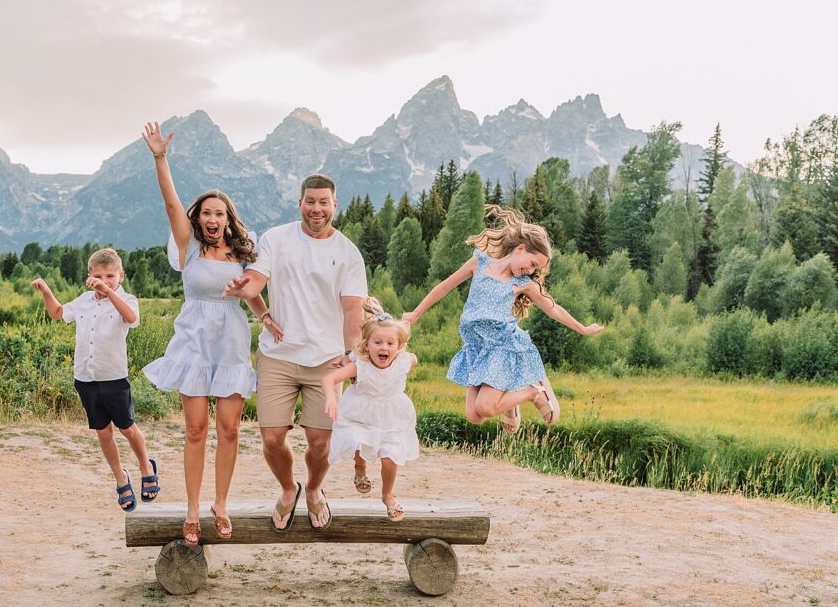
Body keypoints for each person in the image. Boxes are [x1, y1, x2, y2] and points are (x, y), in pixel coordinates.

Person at [139, 121, 281, 546]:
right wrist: (160, 158)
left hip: (232, 341)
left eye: (220, 213)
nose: (213, 219)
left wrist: (266, 316)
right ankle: (192, 508)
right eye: (207, 213)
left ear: (228, 219)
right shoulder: (188, 246)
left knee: (231, 429)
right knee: (197, 428)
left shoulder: (242, 251)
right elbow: (170, 204)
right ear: (199, 218)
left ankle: (221, 503)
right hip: (194, 342)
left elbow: (249, 292)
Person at [223, 174, 367, 532]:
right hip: (279, 355)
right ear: (300, 203)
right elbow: (257, 279)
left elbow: (353, 310)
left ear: (335, 205)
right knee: (272, 438)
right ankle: (289, 489)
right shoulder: (276, 238)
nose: (316, 209)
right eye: (310, 201)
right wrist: (245, 288)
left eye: (323, 202)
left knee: (320, 443)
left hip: (328, 362)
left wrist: (352, 356)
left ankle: (315, 489)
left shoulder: (347, 253)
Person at [403, 205, 603, 431]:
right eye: (532, 263)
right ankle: (510, 400)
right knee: (474, 416)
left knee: (486, 407)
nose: (530, 270)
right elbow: (445, 286)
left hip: (502, 346)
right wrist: (415, 313)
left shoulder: (522, 283)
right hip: (477, 347)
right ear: (520, 248)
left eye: (535, 269)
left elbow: (553, 309)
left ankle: (532, 391)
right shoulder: (479, 263)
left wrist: (583, 329)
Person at [32, 248, 159, 512]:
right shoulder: (83, 301)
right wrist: (46, 290)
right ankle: (120, 477)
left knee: (127, 429)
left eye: (110, 276)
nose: (104, 280)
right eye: (98, 276)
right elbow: (57, 313)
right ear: (89, 276)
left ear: (120, 276)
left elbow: (132, 319)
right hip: (86, 379)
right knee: (104, 432)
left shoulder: (127, 299)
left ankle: (146, 466)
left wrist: (110, 291)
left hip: (113, 378)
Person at [322, 297, 418, 521]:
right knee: (357, 440)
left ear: (398, 346)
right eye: (378, 343)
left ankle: (388, 496)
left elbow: (413, 358)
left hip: (392, 416)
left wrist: (406, 335)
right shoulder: (359, 365)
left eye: (390, 343)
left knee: (391, 456)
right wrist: (331, 399)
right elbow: (329, 379)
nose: (384, 347)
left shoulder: (403, 361)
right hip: (360, 413)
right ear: (366, 345)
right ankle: (360, 468)